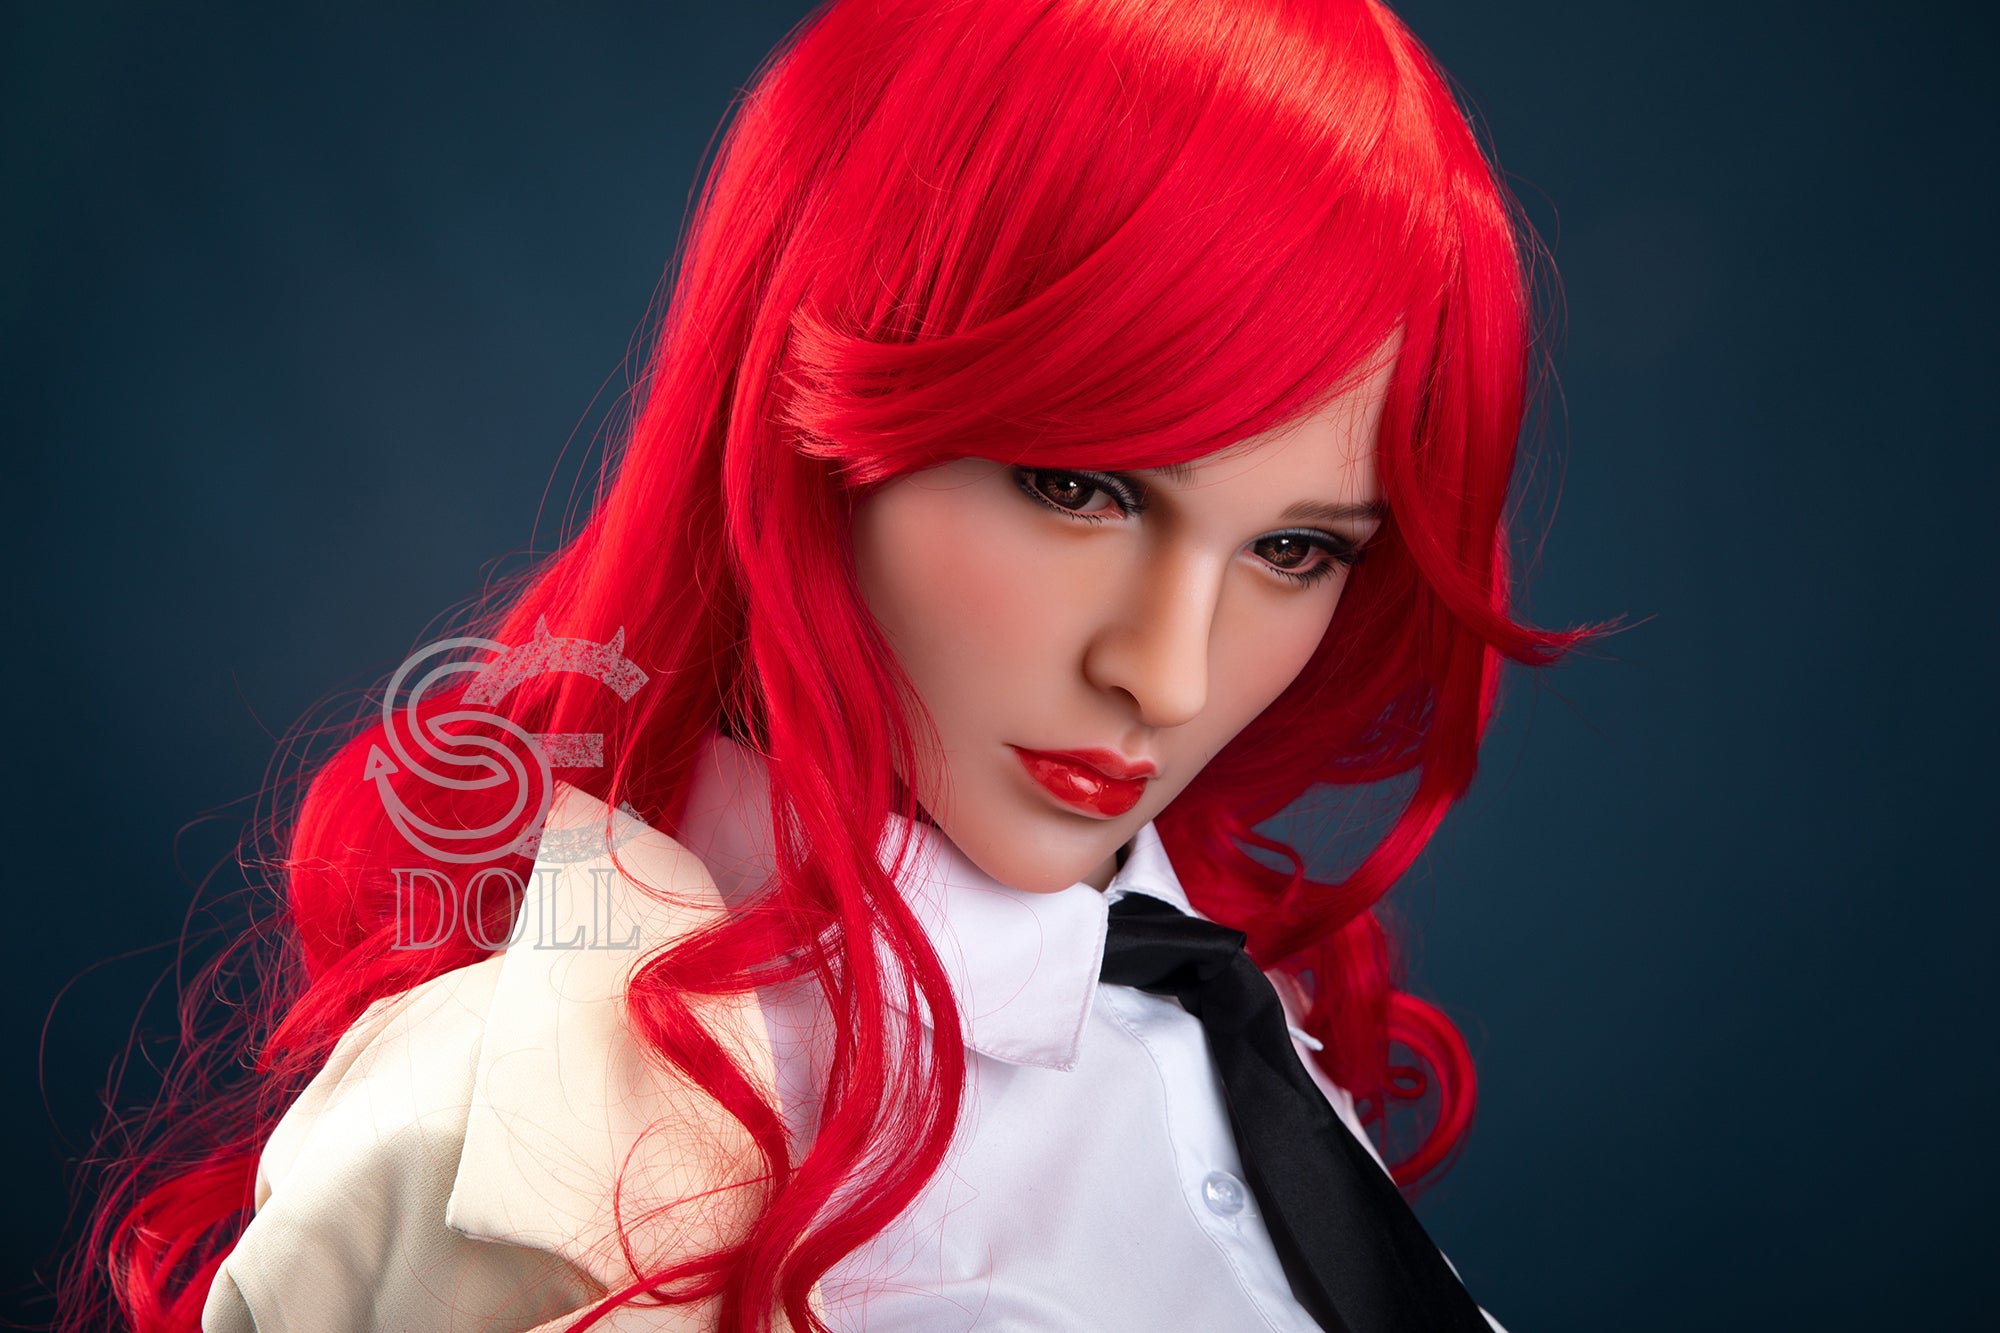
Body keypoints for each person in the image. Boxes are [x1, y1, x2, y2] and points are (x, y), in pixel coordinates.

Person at [66, 0, 1604, 1329]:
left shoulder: (1228, 1014)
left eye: (1295, 549)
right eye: (1078, 488)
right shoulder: (515, 1141)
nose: (1169, 674)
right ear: (818, 412)